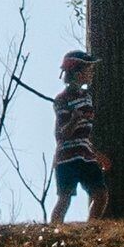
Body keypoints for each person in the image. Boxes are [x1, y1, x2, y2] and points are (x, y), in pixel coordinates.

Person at [50, 49, 109, 222]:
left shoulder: (87, 98)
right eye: (88, 70)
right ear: (77, 74)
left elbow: (84, 136)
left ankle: (91, 228)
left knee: (100, 194)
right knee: (65, 198)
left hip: (86, 155)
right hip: (67, 157)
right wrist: (74, 119)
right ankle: (54, 230)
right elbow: (61, 135)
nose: (91, 73)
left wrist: (97, 155)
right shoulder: (61, 100)